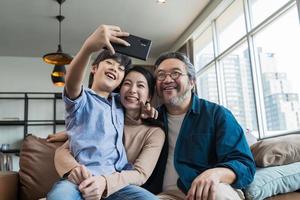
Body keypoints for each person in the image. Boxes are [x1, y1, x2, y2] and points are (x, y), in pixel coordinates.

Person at [47, 24, 163, 200]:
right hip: (80, 180)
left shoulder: (119, 103)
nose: (115, 69)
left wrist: (144, 110)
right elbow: (72, 81)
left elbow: (101, 125)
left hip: (115, 182)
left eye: (120, 69)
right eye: (109, 63)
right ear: (94, 68)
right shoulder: (82, 98)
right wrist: (88, 48)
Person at [150, 52, 256, 200]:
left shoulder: (217, 114)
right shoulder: (152, 119)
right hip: (165, 195)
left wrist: (215, 173)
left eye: (175, 73)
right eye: (161, 75)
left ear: (192, 81)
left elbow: (245, 165)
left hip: (210, 189)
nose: (167, 79)